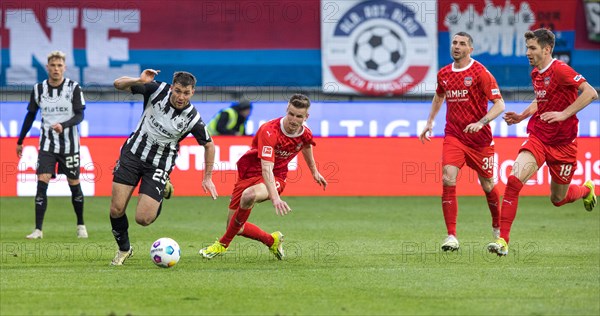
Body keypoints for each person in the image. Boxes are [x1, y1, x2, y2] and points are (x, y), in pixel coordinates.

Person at [487, 29, 598, 256]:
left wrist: (564, 113)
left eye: (532, 48)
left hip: (564, 143)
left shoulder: (561, 70)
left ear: (547, 49)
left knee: (558, 199)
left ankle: (587, 189)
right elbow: (541, 98)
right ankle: (503, 241)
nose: (527, 52)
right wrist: (522, 116)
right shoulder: (536, 73)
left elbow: (590, 93)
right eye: (527, 47)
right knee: (513, 180)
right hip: (539, 136)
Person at [110, 69, 219, 265]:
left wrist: (207, 177)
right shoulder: (155, 90)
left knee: (143, 219)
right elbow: (117, 84)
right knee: (116, 209)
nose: (180, 97)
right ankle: (124, 249)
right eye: (177, 91)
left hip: (159, 165)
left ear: (192, 92)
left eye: (186, 93)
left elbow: (209, 145)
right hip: (132, 155)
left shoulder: (192, 117)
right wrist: (138, 80)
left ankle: (161, 191)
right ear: (171, 87)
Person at [199, 94, 327, 260]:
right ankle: (271, 240)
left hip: (277, 177)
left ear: (306, 117)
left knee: (249, 195)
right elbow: (266, 167)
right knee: (235, 227)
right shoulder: (270, 130)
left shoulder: (305, 133)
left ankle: (222, 245)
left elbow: (306, 146)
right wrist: (275, 199)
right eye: (291, 114)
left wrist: (314, 171)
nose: (294, 120)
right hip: (251, 173)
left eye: (299, 116)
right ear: (286, 110)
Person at [419, 32, 506, 252]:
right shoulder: (444, 73)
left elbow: (499, 104)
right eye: (455, 43)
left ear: (470, 49)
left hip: (480, 141)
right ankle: (451, 236)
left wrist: (481, 121)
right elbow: (439, 96)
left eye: (462, 44)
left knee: (488, 185)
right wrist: (430, 121)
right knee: (448, 177)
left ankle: (498, 231)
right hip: (454, 136)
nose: (457, 46)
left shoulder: (480, 73)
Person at [16, 50, 88, 239]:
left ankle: (81, 224)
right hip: (47, 145)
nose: (56, 69)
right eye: (53, 65)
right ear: (47, 68)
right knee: (42, 183)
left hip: (70, 146)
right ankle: (38, 230)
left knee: (74, 184)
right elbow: (30, 115)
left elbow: (80, 115)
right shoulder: (39, 89)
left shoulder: (73, 88)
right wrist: (20, 140)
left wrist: (63, 126)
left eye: (59, 65)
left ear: (64, 67)